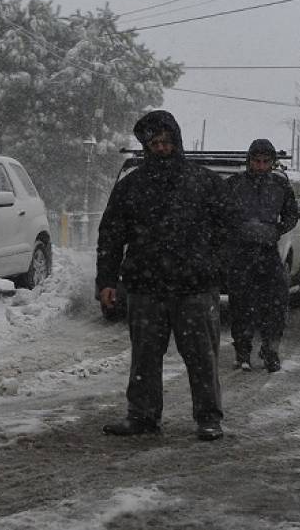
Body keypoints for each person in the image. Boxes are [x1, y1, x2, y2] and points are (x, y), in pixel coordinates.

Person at [96, 110, 240, 441]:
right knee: (144, 359)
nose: (161, 147)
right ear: (146, 147)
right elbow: (111, 235)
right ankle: (142, 416)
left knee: (202, 358)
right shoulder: (131, 187)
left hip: (195, 289)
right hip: (145, 289)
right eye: (154, 143)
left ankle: (208, 418)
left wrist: (214, 265)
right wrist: (106, 281)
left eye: (166, 141)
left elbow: (231, 229)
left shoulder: (204, 183)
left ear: (176, 141)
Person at [225, 139, 300, 373]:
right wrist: (235, 230)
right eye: (256, 161)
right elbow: (219, 212)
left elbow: (292, 215)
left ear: (272, 163)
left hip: (267, 252)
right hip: (241, 252)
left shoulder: (280, 186)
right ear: (249, 161)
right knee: (241, 304)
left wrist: (276, 230)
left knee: (276, 302)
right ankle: (243, 351)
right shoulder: (234, 185)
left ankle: (270, 349)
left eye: (265, 162)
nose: (260, 166)